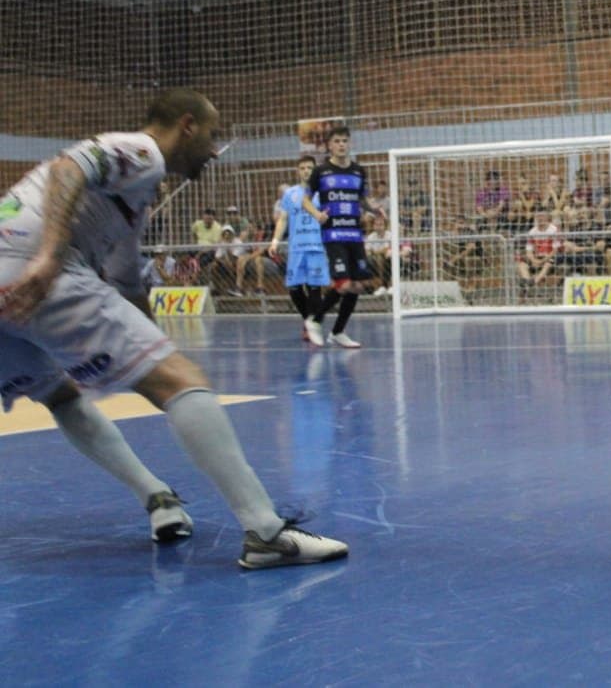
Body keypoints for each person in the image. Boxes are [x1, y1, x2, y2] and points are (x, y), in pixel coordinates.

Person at [0, 88, 347, 569]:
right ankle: (267, 534)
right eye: (211, 135)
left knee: (58, 394)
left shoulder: (130, 202)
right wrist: (49, 257)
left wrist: (154, 348)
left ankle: (158, 498)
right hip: (36, 268)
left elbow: (126, 285)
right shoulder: (143, 153)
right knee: (184, 383)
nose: (213, 150)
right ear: (187, 125)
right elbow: (68, 167)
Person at [304, 125, 384, 348]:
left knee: (358, 286)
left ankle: (338, 332)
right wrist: (317, 214)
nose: (341, 145)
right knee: (343, 284)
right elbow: (305, 199)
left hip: (354, 234)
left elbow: (363, 200)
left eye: (344, 141)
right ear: (329, 145)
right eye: (337, 141)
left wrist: (375, 209)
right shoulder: (320, 172)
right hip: (333, 234)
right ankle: (315, 320)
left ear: (350, 144)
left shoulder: (358, 171)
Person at [269, 155, 330, 346]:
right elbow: (283, 219)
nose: (306, 171)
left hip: (316, 247)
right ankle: (308, 319)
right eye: (302, 168)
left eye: (309, 167)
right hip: (296, 248)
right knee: (294, 289)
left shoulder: (323, 193)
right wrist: (275, 240)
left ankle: (311, 325)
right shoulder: (291, 193)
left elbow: (329, 218)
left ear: (315, 170)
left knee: (314, 289)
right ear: (298, 171)